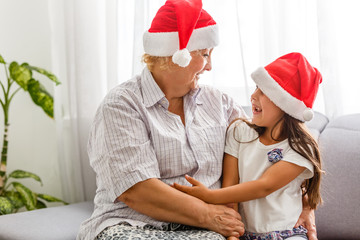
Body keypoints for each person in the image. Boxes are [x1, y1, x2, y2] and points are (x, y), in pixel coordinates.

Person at [76, 0, 318, 238]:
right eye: (204, 54)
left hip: (207, 229)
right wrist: (209, 215)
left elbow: (270, 149)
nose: (210, 66)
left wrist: (304, 204)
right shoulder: (122, 105)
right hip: (132, 223)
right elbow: (137, 191)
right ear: (175, 55)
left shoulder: (221, 104)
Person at [173, 52, 323, 240]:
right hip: (247, 234)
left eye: (264, 91)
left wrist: (209, 196)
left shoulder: (300, 148)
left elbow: (264, 186)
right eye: (256, 88)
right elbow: (231, 185)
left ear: (285, 105)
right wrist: (233, 236)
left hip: (288, 233)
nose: (253, 96)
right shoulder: (239, 131)